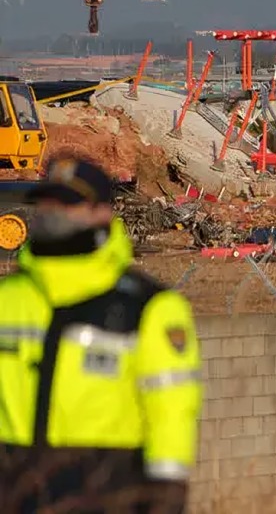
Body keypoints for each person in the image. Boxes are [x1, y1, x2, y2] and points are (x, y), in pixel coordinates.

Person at [0, 156, 202, 513]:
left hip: (105, 492)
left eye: (69, 204)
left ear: (103, 213)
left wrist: (165, 491)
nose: (54, 213)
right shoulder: (7, 299)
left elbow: (171, 410)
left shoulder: (148, 308)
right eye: (48, 203)